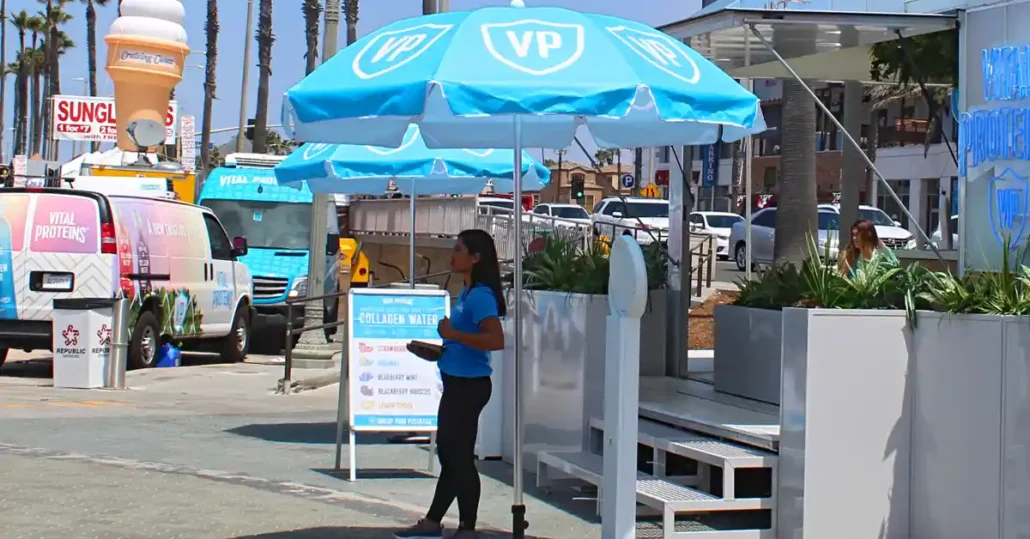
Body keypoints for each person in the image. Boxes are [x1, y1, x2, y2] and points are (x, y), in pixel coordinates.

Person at [396, 229, 506, 539]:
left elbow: (495, 340)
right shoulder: (467, 292)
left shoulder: (482, 295)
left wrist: (453, 335)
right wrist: (440, 350)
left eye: (459, 250)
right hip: (457, 381)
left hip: (469, 387)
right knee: (451, 455)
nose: (452, 255)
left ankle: (465, 527)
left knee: (457, 457)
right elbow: (466, 341)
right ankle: (434, 522)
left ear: (475, 258)